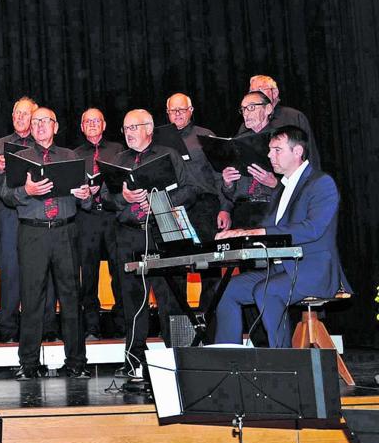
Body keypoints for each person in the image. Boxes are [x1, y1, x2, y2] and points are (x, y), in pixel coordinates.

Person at [214, 126, 350, 347]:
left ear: (297, 152)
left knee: (266, 291)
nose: (269, 155)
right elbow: (266, 227)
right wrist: (238, 234)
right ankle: (229, 360)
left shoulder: (321, 183)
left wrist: (261, 232)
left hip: (314, 271)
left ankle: (284, 363)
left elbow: (311, 228)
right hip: (282, 269)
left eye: (277, 150)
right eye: (270, 150)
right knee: (227, 289)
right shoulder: (283, 188)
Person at [0, 107, 93, 379]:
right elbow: (5, 194)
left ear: (56, 126)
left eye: (45, 121)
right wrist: (25, 191)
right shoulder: (19, 157)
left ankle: (76, 362)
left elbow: (85, 199)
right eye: (35, 121)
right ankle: (28, 363)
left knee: (71, 298)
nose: (40, 125)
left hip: (65, 232)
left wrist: (85, 194)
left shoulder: (71, 157)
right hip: (33, 233)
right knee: (31, 299)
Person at [102, 109, 194, 377]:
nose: (128, 132)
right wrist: (124, 199)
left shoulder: (168, 155)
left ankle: (179, 359)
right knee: (131, 301)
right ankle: (133, 361)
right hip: (129, 234)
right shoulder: (118, 160)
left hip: (163, 232)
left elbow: (190, 190)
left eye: (134, 127)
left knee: (172, 300)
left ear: (149, 129)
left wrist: (161, 201)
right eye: (125, 128)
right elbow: (106, 200)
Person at [164, 93, 229, 313]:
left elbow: (220, 174)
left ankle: (207, 322)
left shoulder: (205, 136)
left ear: (191, 111)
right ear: (167, 113)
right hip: (173, 208)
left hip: (205, 207)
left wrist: (224, 207)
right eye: (173, 110)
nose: (178, 114)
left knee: (210, 267)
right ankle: (181, 323)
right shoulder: (159, 140)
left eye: (182, 109)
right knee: (175, 268)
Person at [0, 96, 38, 343]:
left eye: (25, 113)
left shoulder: (41, 141)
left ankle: (41, 328)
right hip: (9, 214)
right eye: (16, 113)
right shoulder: (0, 144)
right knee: (9, 271)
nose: (19, 117)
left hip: (36, 212)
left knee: (38, 271)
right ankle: (7, 329)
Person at [72, 108, 124, 339]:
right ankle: (91, 327)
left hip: (113, 216)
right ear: (81, 127)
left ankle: (122, 323)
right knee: (89, 274)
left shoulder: (118, 150)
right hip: (86, 218)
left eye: (97, 121)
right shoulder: (73, 155)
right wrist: (83, 192)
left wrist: (101, 188)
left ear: (104, 125)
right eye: (87, 121)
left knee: (119, 271)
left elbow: (124, 180)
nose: (92, 124)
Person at [221, 92, 280, 228]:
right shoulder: (238, 141)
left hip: (272, 209)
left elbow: (299, 182)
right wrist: (228, 183)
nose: (246, 113)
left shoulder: (282, 139)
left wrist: (275, 183)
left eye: (252, 107)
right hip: (243, 212)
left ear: (268, 109)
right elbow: (230, 193)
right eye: (243, 109)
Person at [239, 75, 320, 168]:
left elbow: (310, 155)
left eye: (260, 89)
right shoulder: (246, 125)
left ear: (275, 92)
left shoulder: (293, 117)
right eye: (252, 91)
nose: (255, 94)